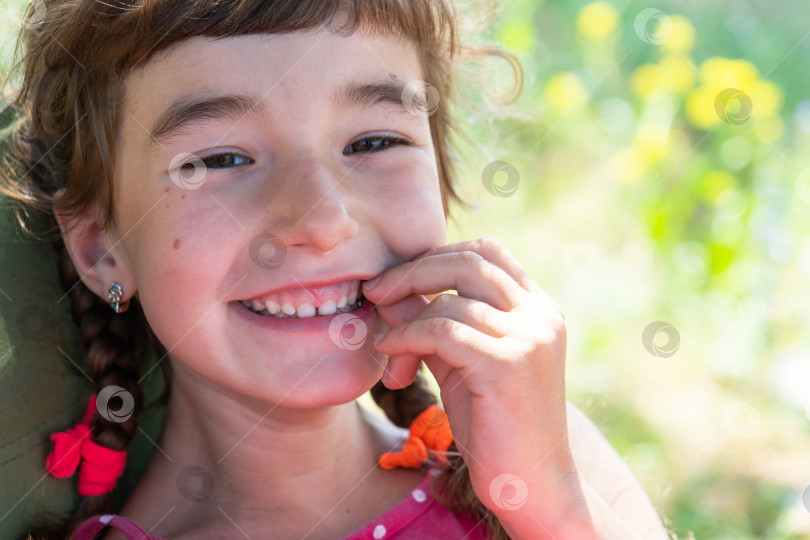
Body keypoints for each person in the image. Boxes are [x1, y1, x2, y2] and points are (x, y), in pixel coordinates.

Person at [0, 1, 671, 539]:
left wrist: (553, 511)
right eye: (223, 159)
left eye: (373, 141)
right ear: (101, 249)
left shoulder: (553, 464)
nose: (322, 219)